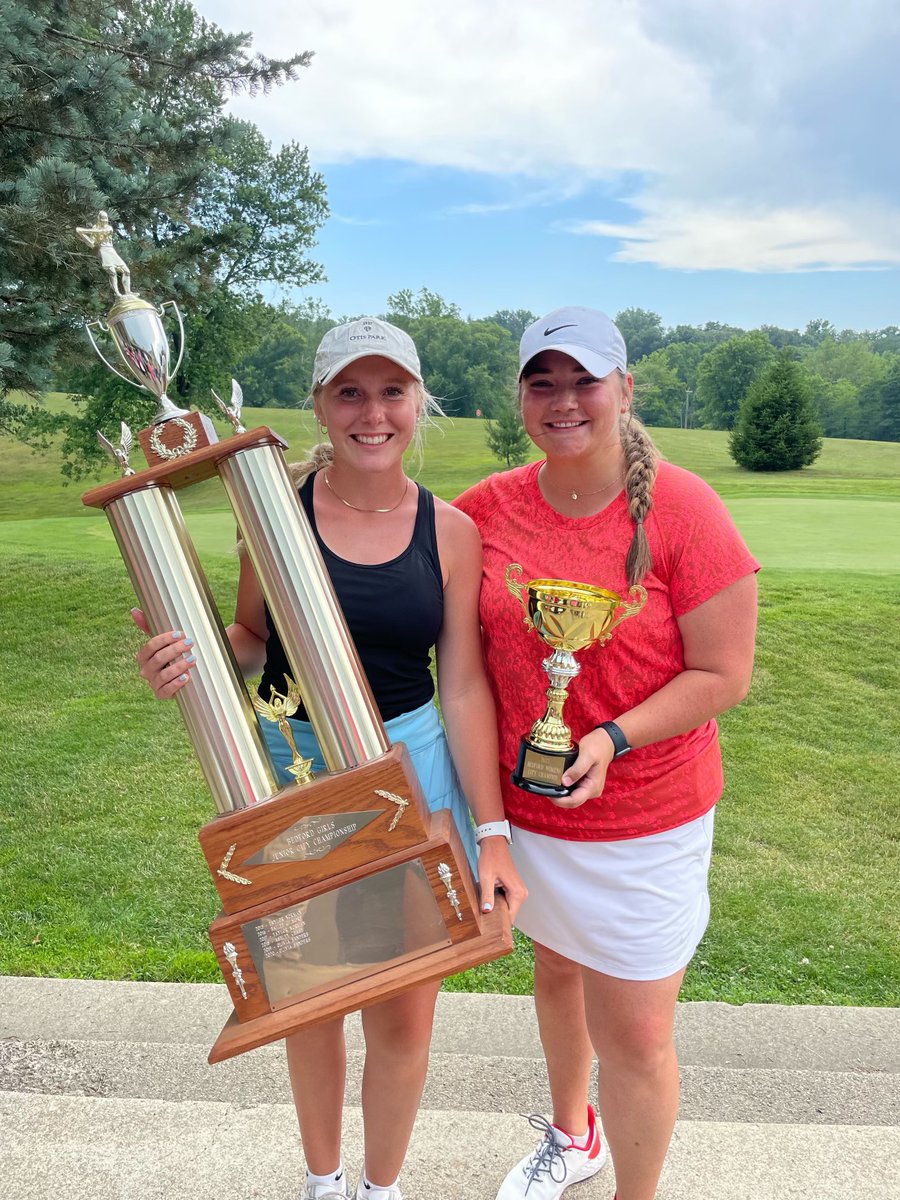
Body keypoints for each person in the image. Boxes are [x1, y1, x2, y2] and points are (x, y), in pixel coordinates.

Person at [132, 317, 526, 1200]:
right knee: (308, 1002)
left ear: (419, 404)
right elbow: (247, 640)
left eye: (391, 392)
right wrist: (184, 659)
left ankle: (381, 1190)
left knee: (401, 1006)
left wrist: (491, 832)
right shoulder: (271, 511)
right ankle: (322, 1181)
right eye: (350, 391)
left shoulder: (450, 531)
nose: (372, 413)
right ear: (319, 403)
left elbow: (462, 689)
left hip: (412, 772)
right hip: (295, 776)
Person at [454, 307, 759, 1200]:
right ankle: (571, 1135)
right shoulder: (489, 507)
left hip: (646, 821)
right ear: (520, 396)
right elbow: (390, 570)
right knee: (555, 968)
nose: (563, 400)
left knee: (634, 1033)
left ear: (625, 389)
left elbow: (724, 672)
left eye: (583, 379)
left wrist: (613, 735)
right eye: (541, 382)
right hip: (532, 814)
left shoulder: (686, 508)